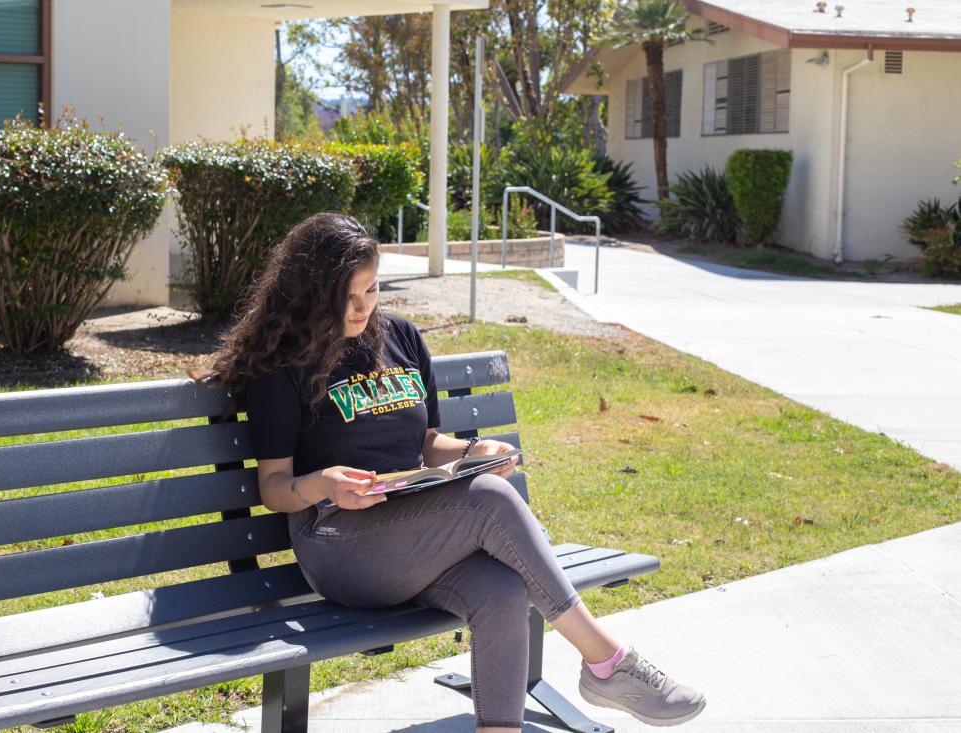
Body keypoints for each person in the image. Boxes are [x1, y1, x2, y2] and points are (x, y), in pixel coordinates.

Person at [193, 213, 705, 731]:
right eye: (344, 296)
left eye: (370, 290)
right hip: (338, 542)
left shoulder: (401, 338)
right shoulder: (284, 368)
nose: (360, 308)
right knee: (489, 500)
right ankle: (608, 662)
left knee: (502, 589)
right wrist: (322, 483)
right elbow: (275, 489)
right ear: (309, 292)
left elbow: (426, 443)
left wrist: (474, 449)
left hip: (413, 534)